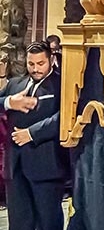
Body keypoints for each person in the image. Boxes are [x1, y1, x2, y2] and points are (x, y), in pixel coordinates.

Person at [0, 41, 67, 230]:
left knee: (48, 223)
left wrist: (32, 133)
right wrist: (9, 102)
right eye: (31, 64)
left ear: (51, 60)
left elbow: (66, 116)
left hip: (47, 166)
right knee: (18, 223)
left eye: (40, 63)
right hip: (15, 166)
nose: (35, 69)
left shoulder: (62, 84)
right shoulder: (15, 84)